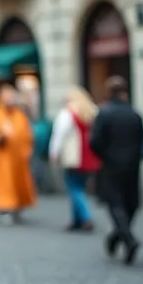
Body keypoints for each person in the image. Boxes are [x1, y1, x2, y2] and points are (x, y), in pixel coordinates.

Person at [90, 76, 143, 264]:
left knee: (115, 204)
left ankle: (126, 238)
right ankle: (121, 236)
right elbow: (141, 140)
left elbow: (94, 141)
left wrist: (105, 155)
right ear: (125, 93)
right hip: (132, 166)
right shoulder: (134, 114)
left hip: (111, 165)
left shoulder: (104, 114)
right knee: (131, 203)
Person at [0, 84, 36, 225]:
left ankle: (18, 206)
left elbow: (27, 135)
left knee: (19, 183)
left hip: (18, 158)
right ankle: (5, 208)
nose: (9, 99)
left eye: (11, 96)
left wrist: (26, 150)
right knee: (4, 184)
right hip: (3, 158)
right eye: (6, 96)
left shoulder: (19, 115)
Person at [48, 86, 100, 232]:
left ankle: (85, 217)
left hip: (74, 155)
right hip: (89, 154)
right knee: (79, 186)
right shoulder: (92, 111)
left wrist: (54, 152)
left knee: (74, 187)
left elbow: (59, 134)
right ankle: (77, 220)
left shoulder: (67, 114)